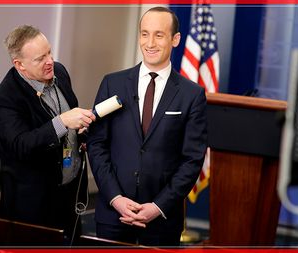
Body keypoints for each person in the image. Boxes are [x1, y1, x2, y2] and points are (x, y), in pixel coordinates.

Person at [87, 7, 208, 246]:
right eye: (144, 34)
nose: (149, 43)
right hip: (113, 215)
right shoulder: (113, 83)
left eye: (159, 35)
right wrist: (116, 198)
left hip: (162, 221)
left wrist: (157, 206)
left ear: (175, 39)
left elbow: (192, 160)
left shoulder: (192, 95)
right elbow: (97, 144)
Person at [0, 25, 96, 245]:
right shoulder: (5, 99)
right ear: (20, 65)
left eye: (49, 52)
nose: (50, 61)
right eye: (40, 58)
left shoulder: (60, 72)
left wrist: (81, 132)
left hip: (69, 192)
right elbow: (21, 145)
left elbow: (71, 122)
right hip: (33, 204)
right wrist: (61, 122)